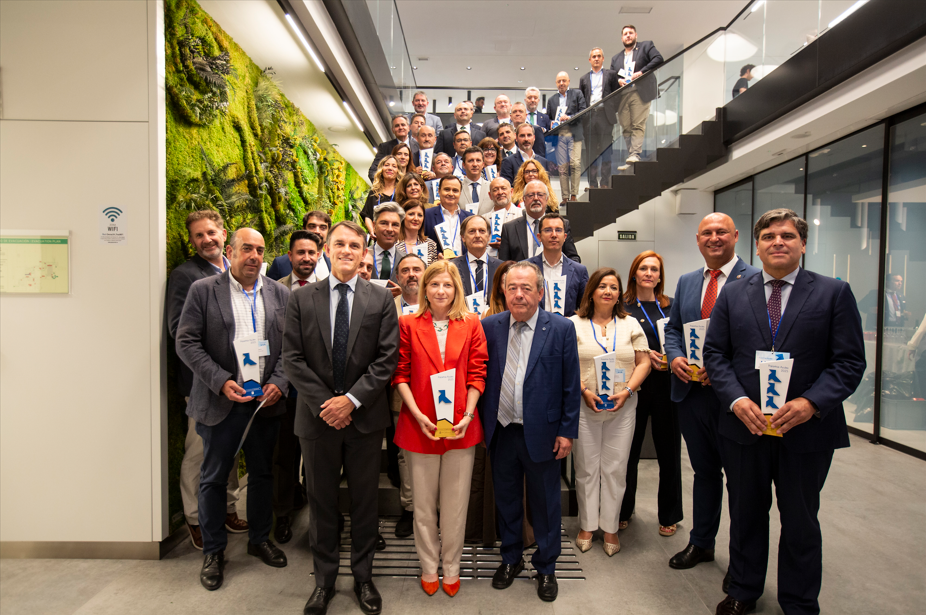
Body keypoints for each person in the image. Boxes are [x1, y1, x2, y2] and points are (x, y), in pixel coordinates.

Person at [704, 209, 866, 615]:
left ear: (803, 244)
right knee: (745, 514)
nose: (778, 242)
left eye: (788, 236)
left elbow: (849, 362)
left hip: (806, 432)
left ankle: (798, 601)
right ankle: (742, 590)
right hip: (746, 427)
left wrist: (811, 403)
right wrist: (738, 401)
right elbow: (715, 355)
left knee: (800, 521)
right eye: (770, 236)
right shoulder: (734, 293)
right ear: (756, 245)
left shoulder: (832, 293)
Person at [282, 221, 399, 615]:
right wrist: (327, 405)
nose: (347, 250)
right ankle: (324, 580)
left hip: (364, 420)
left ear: (364, 251)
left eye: (354, 244)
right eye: (339, 244)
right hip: (317, 421)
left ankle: (363, 577)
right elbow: (292, 360)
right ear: (327, 250)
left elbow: (386, 360)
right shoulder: (300, 299)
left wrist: (350, 401)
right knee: (322, 503)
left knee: (365, 502)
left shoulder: (380, 299)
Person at [176, 228, 291, 591]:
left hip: (263, 403)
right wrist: (220, 380)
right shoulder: (203, 291)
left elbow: (291, 347)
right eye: (246, 249)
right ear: (231, 251)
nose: (254, 256)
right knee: (212, 478)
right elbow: (186, 341)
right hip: (221, 400)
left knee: (261, 475)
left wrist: (279, 382)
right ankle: (214, 551)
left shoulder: (279, 293)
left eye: (260, 250)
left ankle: (259, 539)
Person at [663, 213, 759, 582]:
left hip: (735, 399)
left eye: (722, 232)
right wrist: (675, 358)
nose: (714, 238)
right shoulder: (688, 282)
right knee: (704, 473)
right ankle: (701, 542)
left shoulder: (754, 280)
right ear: (698, 240)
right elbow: (673, 331)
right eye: (707, 233)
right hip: (692, 395)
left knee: (741, 482)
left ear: (735, 236)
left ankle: (743, 561)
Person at [480, 262, 581, 602]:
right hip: (502, 430)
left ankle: (546, 567)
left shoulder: (561, 328)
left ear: (540, 292)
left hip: (543, 432)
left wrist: (567, 431)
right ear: (503, 292)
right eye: (512, 288)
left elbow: (570, 384)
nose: (519, 294)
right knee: (507, 500)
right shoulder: (490, 326)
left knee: (546, 504)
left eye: (526, 288)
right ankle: (511, 559)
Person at [393, 261, 488, 597]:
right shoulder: (407, 324)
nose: (441, 291)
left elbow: (478, 373)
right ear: (424, 289)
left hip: (461, 426)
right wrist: (417, 413)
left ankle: (452, 567)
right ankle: (429, 566)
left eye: (447, 285)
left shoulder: (472, 323)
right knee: (422, 504)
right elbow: (400, 373)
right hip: (420, 426)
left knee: (455, 505)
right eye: (434, 285)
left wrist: (469, 413)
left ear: (456, 289)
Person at [167, 211, 247, 551]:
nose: (206, 239)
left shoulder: (236, 273)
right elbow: (179, 332)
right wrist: (217, 374)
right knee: (199, 453)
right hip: (205, 384)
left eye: (211, 232)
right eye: (198, 235)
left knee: (228, 452)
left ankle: (226, 508)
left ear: (223, 234)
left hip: (240, 383)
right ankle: (196, 517)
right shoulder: (186, 277)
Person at [569, 267, 651, 555]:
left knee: (615, 469)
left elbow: (644, 362)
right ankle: (588, 524)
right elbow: (566, 365)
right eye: (602, 286)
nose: (608, 291)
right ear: (591, 291)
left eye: (614, 287)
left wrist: (627, 390)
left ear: (619, 294)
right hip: (584, 405)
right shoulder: (574, 324)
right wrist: (584, 391)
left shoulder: (631, 325)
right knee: (587, 467)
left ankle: (611, 527)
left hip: (623, 406)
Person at [619, 251, 683, 538]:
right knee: (628, 452)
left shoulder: (671, 306)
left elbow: (681, 339)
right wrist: (642, 359)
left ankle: (669, 514)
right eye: (643, 268)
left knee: (669, 452)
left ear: (660, 275)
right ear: (634, 273)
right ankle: (622, 509)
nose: (648, 273)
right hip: (635, 385)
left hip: (668, 386)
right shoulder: (623, 307)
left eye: (654, 269)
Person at [273, 230, 324, 543]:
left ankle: (313, 513)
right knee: (284, 457)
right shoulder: (274, 290)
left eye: (311, 253)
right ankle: (282, 515)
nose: (306, 258)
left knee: (315, 457)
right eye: (300, 253)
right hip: (284, 388)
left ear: (319, 256)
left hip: (317, 389)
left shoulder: (327, 289)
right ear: (289, 257)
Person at [391, 253, 427, 539]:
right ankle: (410, 508)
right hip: (400, 394)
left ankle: (435, 508)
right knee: (405, 455)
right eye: (406, 270)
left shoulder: (441, 304)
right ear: (398, 276)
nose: (412, 274)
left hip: (438, 392)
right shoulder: (385, 305)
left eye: (417, 269)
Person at [610, 25, 663, 164]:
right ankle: (631, 154)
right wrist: (618, 80)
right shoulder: (616, 58)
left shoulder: (646, 46)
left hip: (640, 91)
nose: (628, 35)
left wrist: (641, 72)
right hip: (623, 95)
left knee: (637, 124)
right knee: (626, 126)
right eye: (625, 34)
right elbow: (611, 78)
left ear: (636, 35)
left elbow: (658, 58)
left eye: (630, 33)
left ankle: (635, 153)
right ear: (622, 38)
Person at [499, 180, 581, 263]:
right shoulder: (509, 229)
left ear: (547, 199)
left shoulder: (562, 225)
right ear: (524, 200)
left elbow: (573, 258)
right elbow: (503, 264)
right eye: (530, 195)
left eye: (540, 195)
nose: (535, 198)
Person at [527, 212, 588, 318]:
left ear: (565, 237)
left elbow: (586, 308)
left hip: (566, 331)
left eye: (558, 230)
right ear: (539, 237)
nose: (554, 235)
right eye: (548, 230)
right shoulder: (525, 268)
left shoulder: (579, 271)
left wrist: (573, 320)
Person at [580, 48, 621, 189]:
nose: (596, 58)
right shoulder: (583, 79)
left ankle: (604, 183)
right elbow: (582, 100)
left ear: (603, 58)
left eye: (599, 56)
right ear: (590, 60)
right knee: (591, 152)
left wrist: (611, 110)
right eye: (593, 56)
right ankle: (592, 184)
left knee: (606, 150)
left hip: (605, 115)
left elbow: (618, 95)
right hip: (589, 117)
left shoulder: (611, 75)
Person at [546, 72, 588, 204]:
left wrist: (569, 117)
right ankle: (565, 197)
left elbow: (584, 111)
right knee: (562, 167)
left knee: (575, 164)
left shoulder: (577, 94)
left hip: (574, 132)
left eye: (564, 80)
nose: (561, 83)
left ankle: (574, 194)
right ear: (556, 83)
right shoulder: (551, 100)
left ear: (569, 81)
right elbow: (548, 118)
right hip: (559, 135)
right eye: (559, 81)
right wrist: (551, 123)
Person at [450, 215, 502, 307]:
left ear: (489, 236)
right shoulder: (452, 267)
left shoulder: (501, 267)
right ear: (463, 237)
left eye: (482, 231)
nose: (477, 235)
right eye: (472, 231)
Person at [267, 210, 332, 281]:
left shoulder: (333, 263)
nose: (317, 231)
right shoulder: (280, 264)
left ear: (328, 232)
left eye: (323, 228)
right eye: (312, 226)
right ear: (303, 229)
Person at [423, 176, 473, 258]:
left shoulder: (470, 218)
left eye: (455, 190)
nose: (450, 193)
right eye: (447, 189)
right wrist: (436, 254)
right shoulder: (427, 215)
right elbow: (421, 242)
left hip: (464, 266)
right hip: (438, 265)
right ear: (439, 191)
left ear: (460, 193)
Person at [361, 156, 402, 237]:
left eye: (394, 166)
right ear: (381, 169)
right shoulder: (374, 192)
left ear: (398, 171)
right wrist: (372, 231)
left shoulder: (402, 193)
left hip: (396, 238)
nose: (390, 168)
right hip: (377, 237)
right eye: (387, 165)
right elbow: (367, 215)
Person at [369, 115, 418, 181]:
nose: (400, 127)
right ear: (393, 130)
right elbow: (373, 171)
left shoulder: (419, 147)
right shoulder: (384, 147)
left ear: (409, 128)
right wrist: (382, 186)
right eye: (397, 126)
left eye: (403, 125)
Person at [482, 178, 522, 255]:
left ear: (511, 192)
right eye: (495, 190)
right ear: (490, 195)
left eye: (503, 188)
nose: (500, 192)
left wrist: (506, 245)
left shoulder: (522, 215)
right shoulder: (483, 219)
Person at [370, 203, 404, 292]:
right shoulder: (361, 256)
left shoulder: (405, 260)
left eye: (395, 225)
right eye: (384, 223)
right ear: (374, 226)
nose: (389, 229)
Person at [397, 201, 440, 266]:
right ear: (403, 217)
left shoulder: (431, 245)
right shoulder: (394, 243)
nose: (416, 218)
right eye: (411, 214)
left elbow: (432, 274)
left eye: (420, 215)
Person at [460, 146, 490, 213]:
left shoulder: (492, 187)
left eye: (478, 160)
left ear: (483, 164)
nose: (475, 164)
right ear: (464, 165)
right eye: (470, 161)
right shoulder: (457, 187)